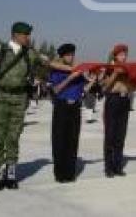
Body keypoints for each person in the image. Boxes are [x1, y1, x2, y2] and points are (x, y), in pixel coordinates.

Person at [0, 21, 69, 191]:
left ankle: (11, 174)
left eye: (28, 35)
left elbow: (49, 64)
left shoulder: (30, 53)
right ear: (15, 35)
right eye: (26, 35)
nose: (28, 38)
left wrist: (72, 69)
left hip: (19, 98)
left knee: (14, 136)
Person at [49, 43, 85, 183]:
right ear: (62, 56)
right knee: (59, 140)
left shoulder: (78, 70)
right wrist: (70, 77)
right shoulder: (57, 71)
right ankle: (60, 174)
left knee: (72, 140)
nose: (71, 57)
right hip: (62, 107)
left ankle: (70, 173)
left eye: (72, 54)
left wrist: (93, 80)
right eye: (68, 55)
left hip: (75, 107)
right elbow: (56, 90)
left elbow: (84, 89)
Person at [102, 43, 135, 177]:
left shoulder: (128, 68)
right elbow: (105, 87)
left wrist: (134, 83)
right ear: (115, 55)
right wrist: (115, 73)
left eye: (125, 54)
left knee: (121, 135)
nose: (124, 56)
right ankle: (108, 167)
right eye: (121, 54)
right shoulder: (109, 68)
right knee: (110, 135)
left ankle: (118, 165)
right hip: (113, 101)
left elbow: (133, 86)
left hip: (124, 101)